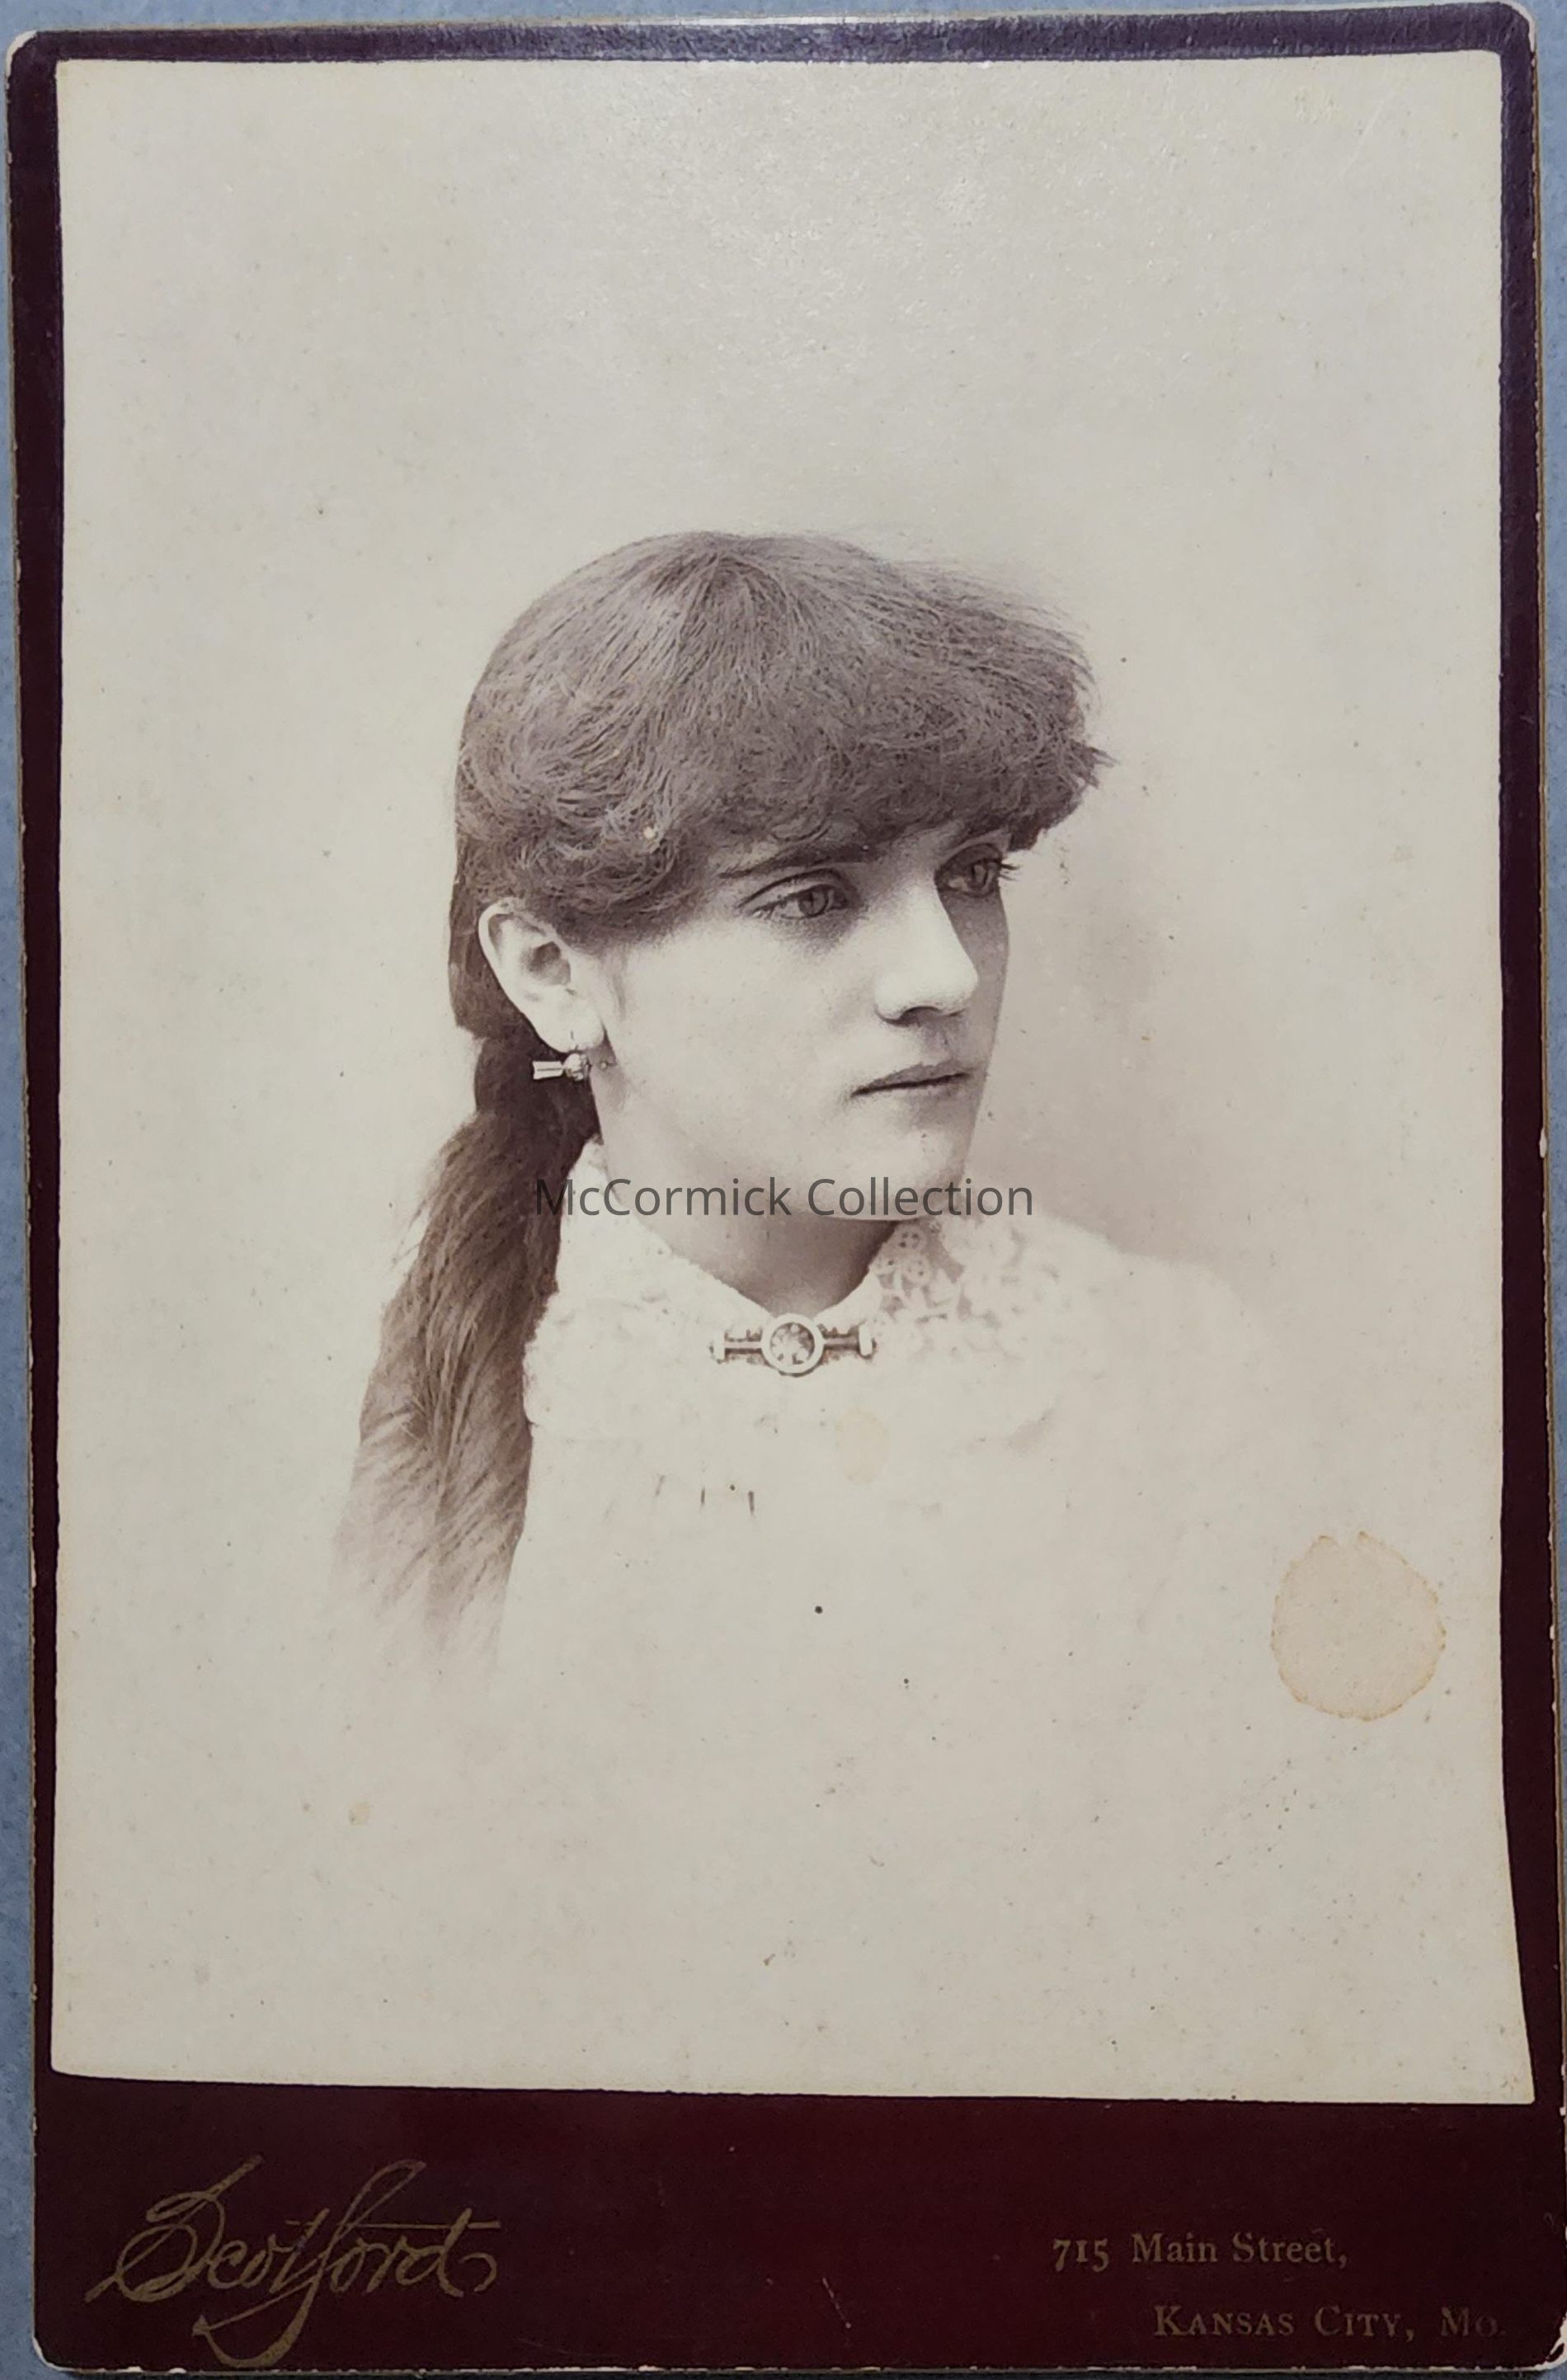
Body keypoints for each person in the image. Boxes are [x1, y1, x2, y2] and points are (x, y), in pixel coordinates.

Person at [325, 530, 1528, 2102]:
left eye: (972, 875)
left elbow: (1280, 1998)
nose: (945, 972)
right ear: (555, 972)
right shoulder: (363, 1417)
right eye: (813, 895)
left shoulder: (1173, 1387)